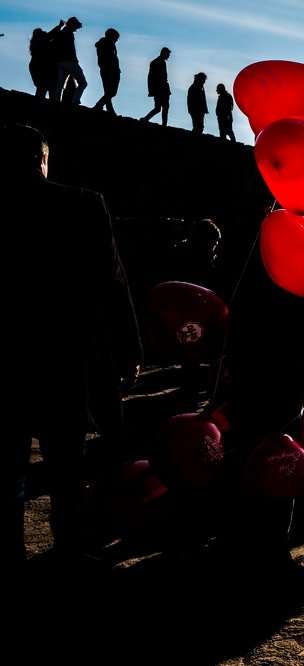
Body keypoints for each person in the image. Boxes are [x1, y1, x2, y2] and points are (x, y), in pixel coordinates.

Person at [1, 123, 143, 571]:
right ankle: (67, 547)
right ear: (44, 160)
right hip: (65, 355)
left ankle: (8, 553)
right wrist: (129, 348)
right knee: (66, 465)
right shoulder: (83, 204)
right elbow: (112, 281)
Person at [53, 16, 87, 104]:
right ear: (72, 25)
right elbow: (69, 49)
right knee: (83, 83)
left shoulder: (61, 33)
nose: (76, 29)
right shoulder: (67, 33)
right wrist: (74, 60)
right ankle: (75, 101)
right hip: (69, 61)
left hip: (60, 62)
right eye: (75, 27)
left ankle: (56, 100)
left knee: (61, 83)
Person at [91, 28, 120, 115]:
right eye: (116, 38)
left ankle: (109, 110)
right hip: (109, 70)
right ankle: (98, 106)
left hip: (109, 69)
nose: (116, 40)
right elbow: (108, 57)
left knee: (108, 92)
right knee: (111, 92)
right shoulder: (106, 43)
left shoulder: (107, 44)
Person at [140, 47, 172, 125]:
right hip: (160, 88)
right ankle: (162, 124)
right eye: (168, 54)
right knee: (162, 108)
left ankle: (147, 119)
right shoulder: (156, 62)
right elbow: (151, 77)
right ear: (164, 53)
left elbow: (150, 77)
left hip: (161, 88)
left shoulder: (157, 62)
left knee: (161, 108)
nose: (168, 56)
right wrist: (151, 89)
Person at [29, 24, 60, 99]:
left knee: (41, 89)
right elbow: (51, 34)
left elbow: (50, 34)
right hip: (46, 68)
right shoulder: (44, 42)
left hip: (36, 67)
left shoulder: (34, 45)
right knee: (51, 88)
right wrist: (59, 26)